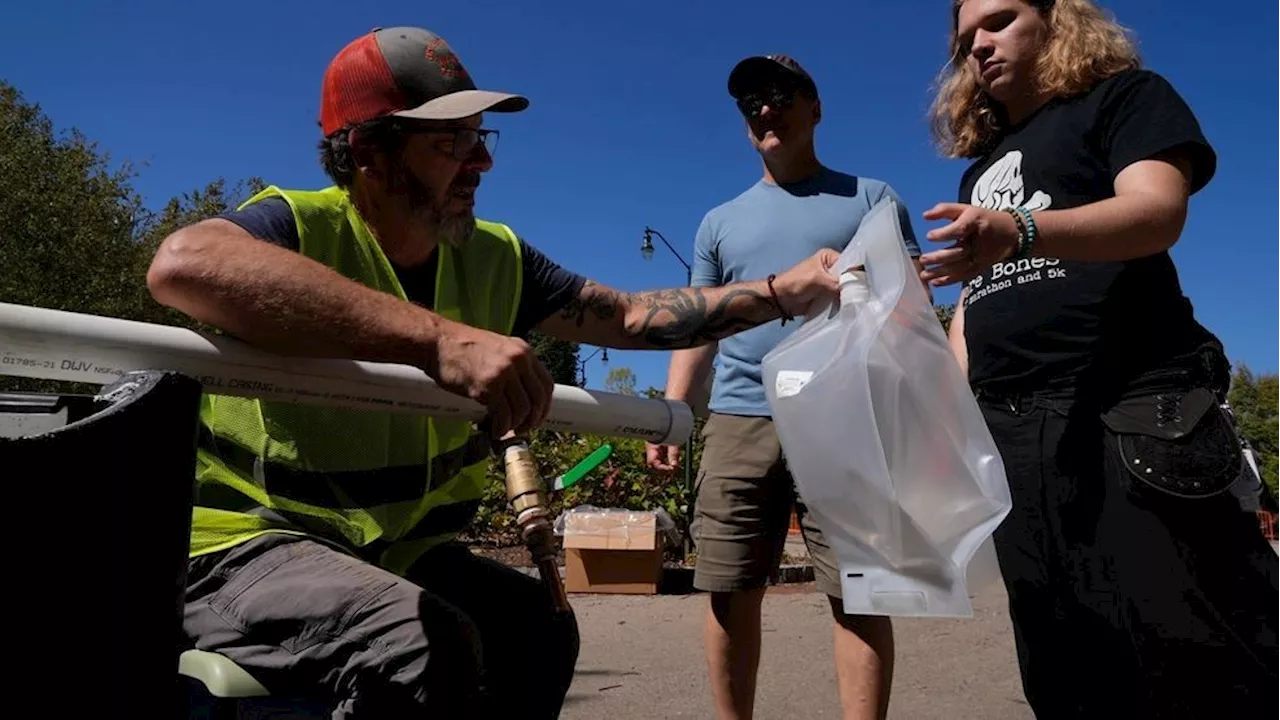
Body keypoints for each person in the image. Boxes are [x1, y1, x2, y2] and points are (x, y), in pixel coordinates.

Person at [146, 26, 843, 719]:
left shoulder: (497, 257)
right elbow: (185, 265)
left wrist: (782, 292)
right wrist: (440, 340)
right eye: (450, 141)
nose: (480, 160)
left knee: (539, 627)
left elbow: (628, 316)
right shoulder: (299, 227)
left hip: (395, 549)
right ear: (370, 152)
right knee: (420, 643)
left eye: (482, 137)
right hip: (249, 546)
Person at [922, 1, 1280, 717]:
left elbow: (1157, 211)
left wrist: (1019, 229)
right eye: (966, 40)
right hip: (1011, 437)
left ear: (1057, 19)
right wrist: (941, 415)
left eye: (999, 21)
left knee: (1202, 656)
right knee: (1063, 669)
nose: (979, 46)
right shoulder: (979, 172)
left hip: (1130, 412)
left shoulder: (1126, 98)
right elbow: (977, 301)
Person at [646, 54, 926, 720]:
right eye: (750, 103)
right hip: (741, 418)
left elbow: (909, 304)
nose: (765, 110)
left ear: (815, 107)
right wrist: (673, 416)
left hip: (845, 418)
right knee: (726, 586)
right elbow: (700, 329)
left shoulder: (872, 199)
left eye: (779, 95)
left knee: (858, 591)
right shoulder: (720, 221)